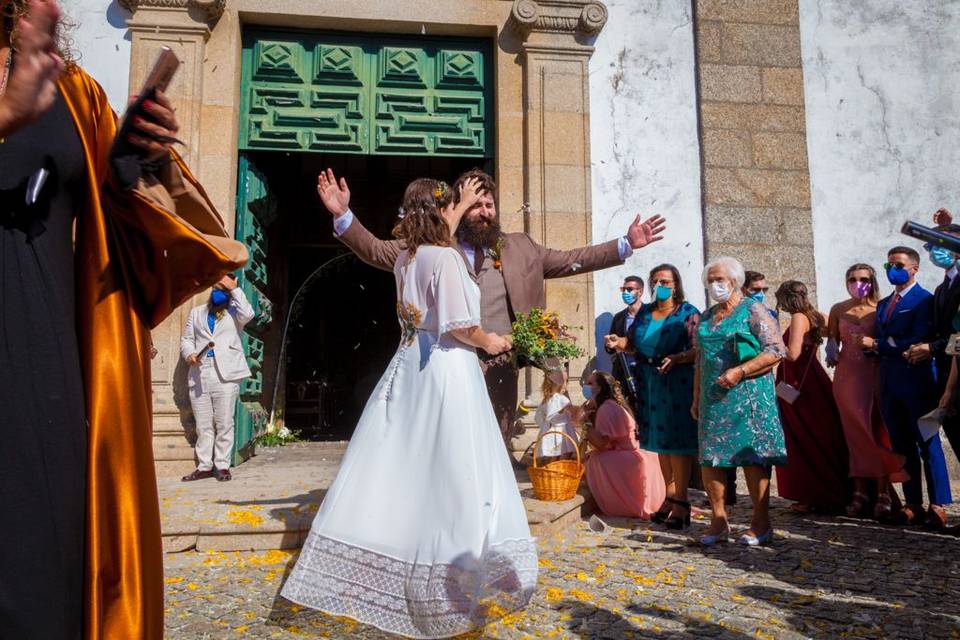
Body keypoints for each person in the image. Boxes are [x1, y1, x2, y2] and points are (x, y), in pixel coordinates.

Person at [0, 1, 248, 637]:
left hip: (37, 380)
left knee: (40, 587)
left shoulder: (73, 90)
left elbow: (125, 232)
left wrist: (139, 154)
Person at [281, 177, 537, 638]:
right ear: (441, 213)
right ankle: (452, 571)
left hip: (410, 366)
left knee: (406, 461)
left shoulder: (407, 258)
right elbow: (461, 326)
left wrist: (453, 208)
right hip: (448, 369)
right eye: (452, 207)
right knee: (455, 465)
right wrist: (492, 339)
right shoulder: (447, 258)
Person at [318, 167, 666, 457]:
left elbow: (571, 260)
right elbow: (377, 249)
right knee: (446, 444)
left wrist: (625, 243)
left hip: (500, 363)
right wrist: (342, 215)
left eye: (491, 204)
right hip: (446, 362)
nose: (486, 211)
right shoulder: (431, 245)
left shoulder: (521, 247)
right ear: (459, 207)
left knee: (495, 440)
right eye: (477, 204)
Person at [692, 257, 787, 547]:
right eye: (710, 280)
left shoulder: (753, 310)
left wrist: (740, 371)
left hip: (748, 395)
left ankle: (760, 522)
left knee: (752, 457)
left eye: (720, 279)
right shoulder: (708, 316)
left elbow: (776, 350)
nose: (714, 285)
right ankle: (718, 521)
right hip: (714, 396)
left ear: (736, 281)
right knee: (711, 457)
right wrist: (696, 397)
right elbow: (700, 359)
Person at [859, 247, 952, 529]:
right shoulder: (885, 302)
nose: (891, 270)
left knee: (928, 443)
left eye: (897, 264)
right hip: (889, 382)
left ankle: (938, 504)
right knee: (901, 445)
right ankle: (913, 503)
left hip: (918, 381)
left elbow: (917, 339)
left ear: (913, 268)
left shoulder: (924, 300)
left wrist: (877, 346)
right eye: (888, 265)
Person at [604, 264, 699, 529]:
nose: (661, 285)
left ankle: (682, 501)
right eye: (656, 281)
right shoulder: (646, 312)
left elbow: (697, 349)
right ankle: (668, 497)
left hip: (677, 382)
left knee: (677, 445)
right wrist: (618, 342)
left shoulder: (687, 313)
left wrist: (678, 357)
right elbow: (633, 344)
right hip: (650, 383)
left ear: (676, 284)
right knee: (659, 445)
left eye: (666, 281)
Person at [826, 264, 906, 519]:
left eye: (863, 279)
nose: (858, 283)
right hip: (846, 377)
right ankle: (859, 489)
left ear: (872, 281)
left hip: (873, 374)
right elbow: (832, 339)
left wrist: (874, 345)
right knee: (853, 434)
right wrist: (830, 350)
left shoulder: (882, 308)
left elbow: (891, 342)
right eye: (852, 279)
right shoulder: (838, 309)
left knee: (875, 431)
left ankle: (883, 490)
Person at [772, 281, 850, 514]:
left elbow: (793, 354)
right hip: (813, 380)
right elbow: (835, 330)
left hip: (797, 384)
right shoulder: (816, 315)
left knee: (803, 439)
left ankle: (814, 494)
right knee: (823, 435)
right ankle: (832, 491)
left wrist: (770, 343)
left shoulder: (798, 317)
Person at [180, 274, 255, 482]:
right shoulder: (197, 313)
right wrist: (189, 354)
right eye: (216, 285)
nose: (218, 289)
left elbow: (249, 314)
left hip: (226, 373)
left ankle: (222, 465)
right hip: (200, 371)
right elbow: (186, 339)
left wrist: (233, 288)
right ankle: (204, 466)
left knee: (224, 421)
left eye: (222, 286)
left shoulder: (235, 312)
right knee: (203, 423)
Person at [909, 210, 960, 463]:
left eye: (942, 244)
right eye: (932, 245)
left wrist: (933, 347)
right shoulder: (942, 287)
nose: (935, 251)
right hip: (946, 371)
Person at [581, 371, 665, 519]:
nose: (587, 387)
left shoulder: (606, 408)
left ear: (600, 388)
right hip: (638, 452)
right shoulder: (615, 404)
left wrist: (585, 424)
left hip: (629, 456)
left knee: (593, 459)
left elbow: (601, 444)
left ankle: (615, 501)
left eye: (590, 383)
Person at [604, 275, 644, 403]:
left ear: (640, 291)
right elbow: (611, 348)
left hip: (644, 370)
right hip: (623, 371)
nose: (626, 293)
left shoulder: (650, 314)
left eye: (630, 289)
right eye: (623, 289)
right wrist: (609, 344)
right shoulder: (619, 317)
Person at [534, 368, 579, 463]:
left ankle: (553, 473)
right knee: (565, 455)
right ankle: (560, 473)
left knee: (554, 457)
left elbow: (538, 417)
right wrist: (585, 408)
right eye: (565, 382)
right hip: (563, 433)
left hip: (551, 432)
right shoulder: (561, 399)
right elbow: (573, 410)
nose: (566, 385)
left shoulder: (546, 399)